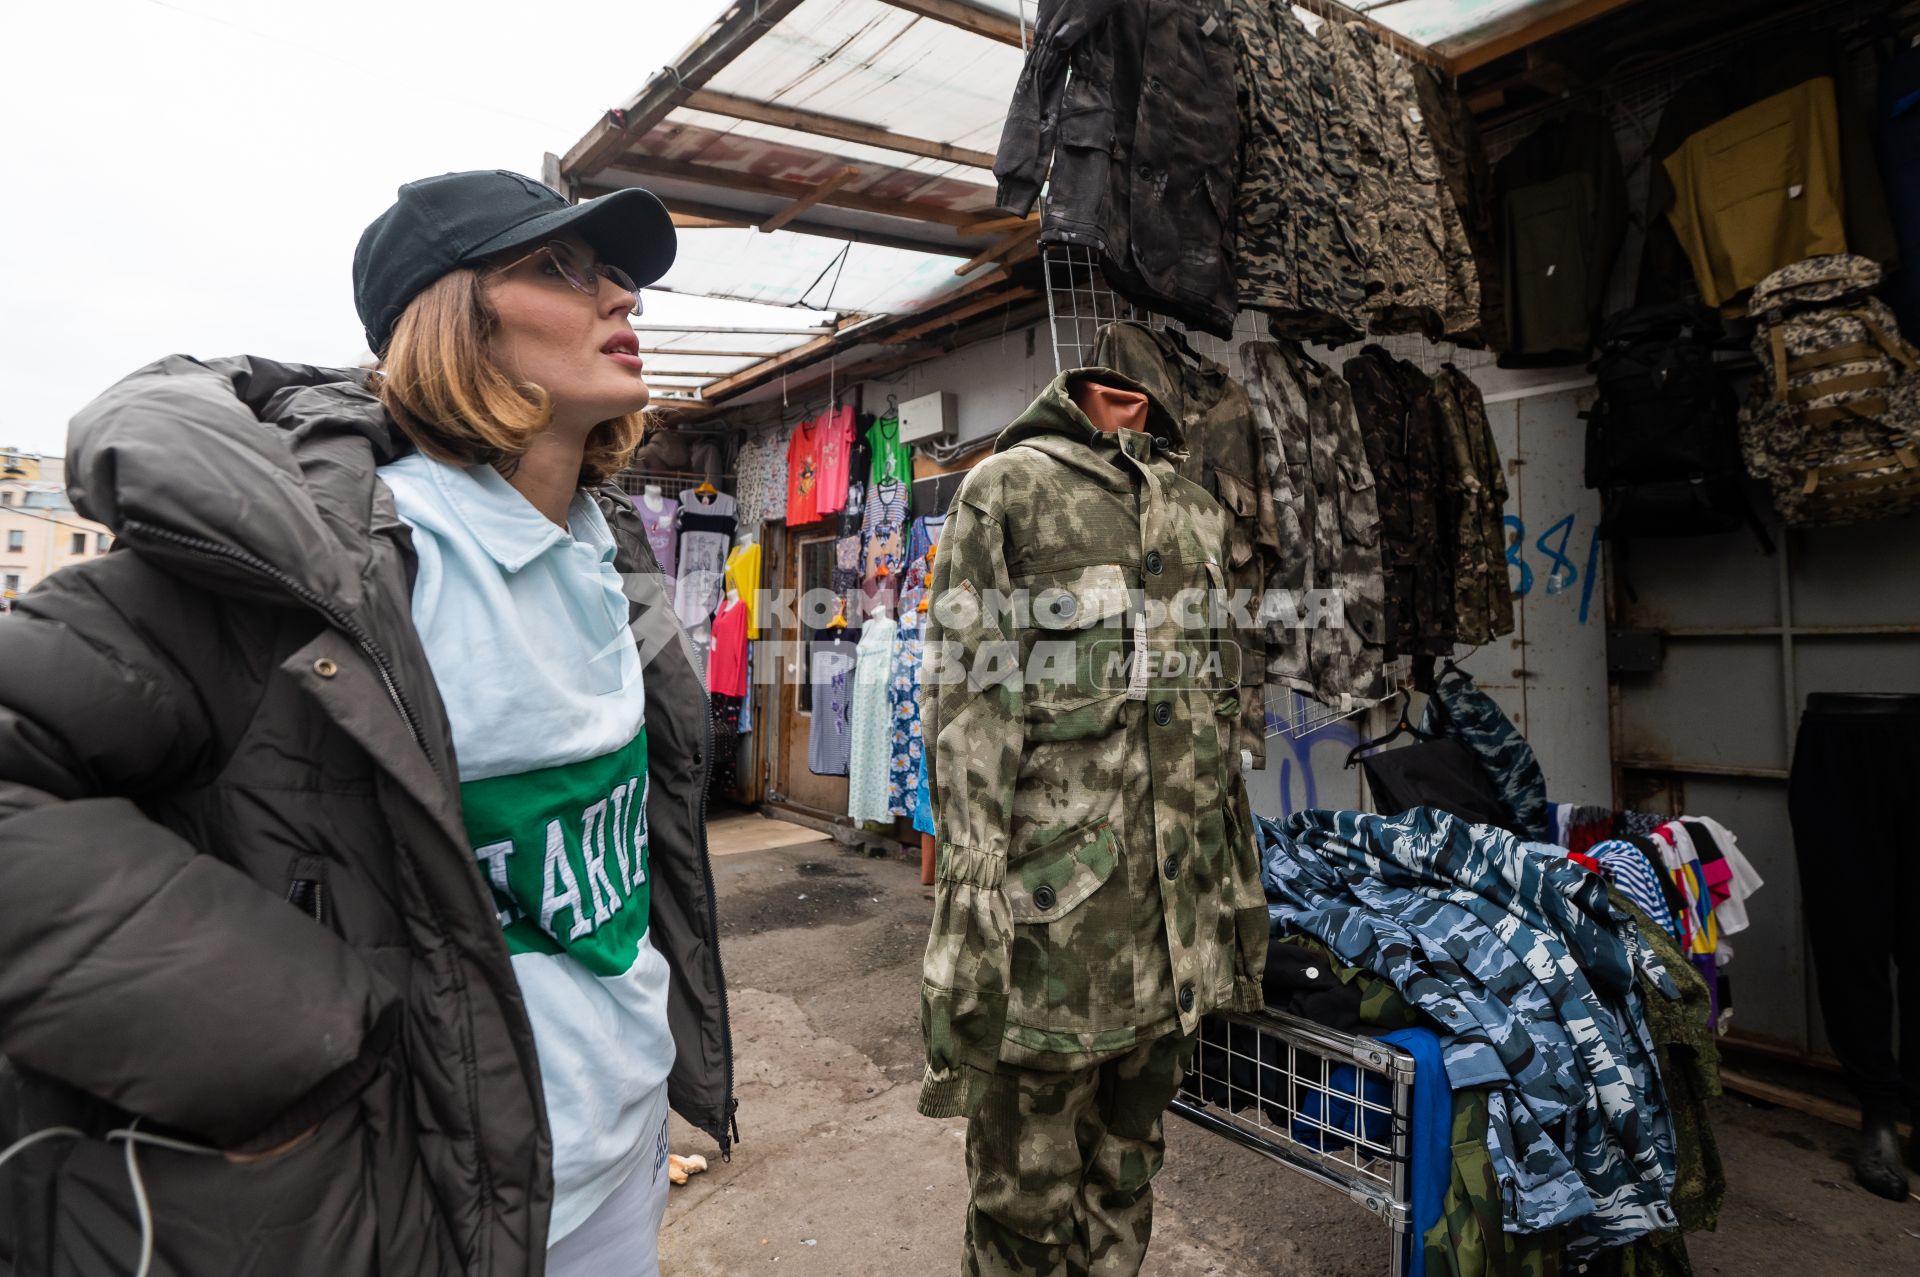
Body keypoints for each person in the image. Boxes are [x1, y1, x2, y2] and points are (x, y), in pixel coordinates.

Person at [0, 170, 733, 1276]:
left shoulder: (605, 549)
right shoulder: (317, 566)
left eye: (621, 274)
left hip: (618, 1154)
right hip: (434, 1198)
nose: (623, 298)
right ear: (449, 318)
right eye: (564, 268)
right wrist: (287, 1020)